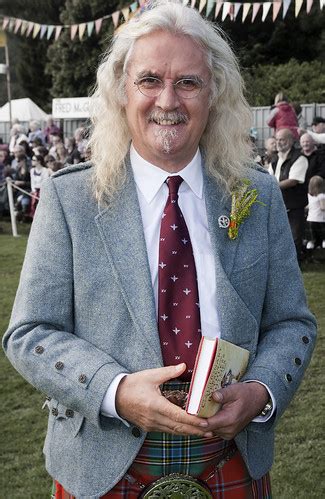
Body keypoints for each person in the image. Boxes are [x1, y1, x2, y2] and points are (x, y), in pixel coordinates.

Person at [3, 2, 316, 498]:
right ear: (122, 93)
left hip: (229, 460)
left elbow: (292, 324)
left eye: (188, 82)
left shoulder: (254, 197)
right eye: (150, 80)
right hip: (102, 468)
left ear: (213, 95)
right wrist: (116, 391)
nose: (167, 100)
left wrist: (260, 393)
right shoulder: (70, 200)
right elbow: (29, 333)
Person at [270, 128, 309, 264]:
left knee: (294, 237)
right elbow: (269, 178)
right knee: (278, 237)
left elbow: (293, 180)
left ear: (291, 141)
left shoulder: (300, 158)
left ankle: (295, 266)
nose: (279, 142)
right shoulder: (274, 159)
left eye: (283, 139)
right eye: (277, 139)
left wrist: (271, 186)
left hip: (294, 205)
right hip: (278, 204)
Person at [305, 175, 325, 251]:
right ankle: (323, 242)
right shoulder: (321, 196)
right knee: (322, 233)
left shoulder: (309, 196)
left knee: (312, 234)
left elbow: (307, 206)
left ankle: (310, 244)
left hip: (310, 219)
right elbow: (323, 208)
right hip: (321, 219)